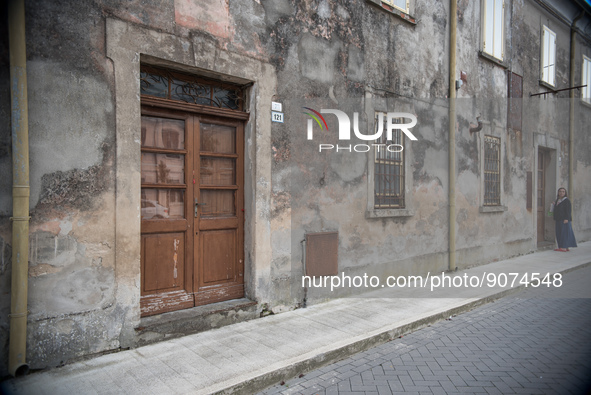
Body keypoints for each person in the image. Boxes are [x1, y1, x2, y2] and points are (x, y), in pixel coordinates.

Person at [552, 187, 577, 252]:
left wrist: (566, 218)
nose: (561, 193)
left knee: (565, 233)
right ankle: (563, 247)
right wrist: (554, 205)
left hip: (564, 220)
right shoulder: (558, 200)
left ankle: (564, 247)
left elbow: (568, 211)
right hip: (558, 219)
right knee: (559, 233)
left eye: (563, 191)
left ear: (565, 193)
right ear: (558, 192)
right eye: (560, 191)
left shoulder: (566, 201)